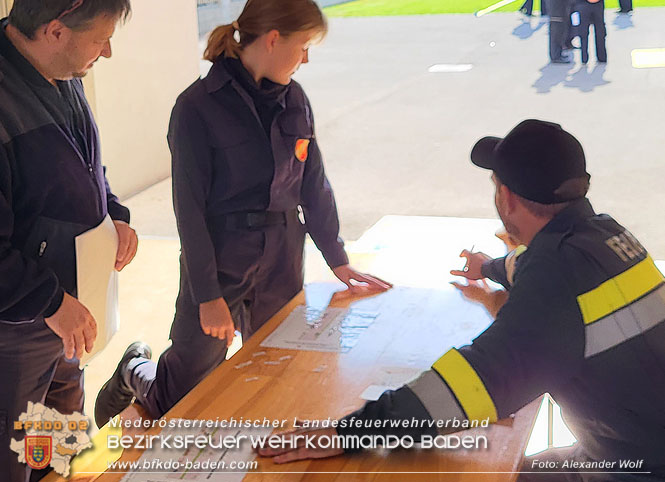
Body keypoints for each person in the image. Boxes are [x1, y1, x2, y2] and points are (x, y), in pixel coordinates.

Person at [257, 119, 665, 481]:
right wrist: (487, 268)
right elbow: (534, 269)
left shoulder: (554, 274)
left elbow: (472, 384)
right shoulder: (606, 237)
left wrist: (349, 432)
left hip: (633, 466)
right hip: (635, 446)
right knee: (516, 468)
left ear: (506, 198)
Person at [94, 0, 390, 427]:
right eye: (303, 45)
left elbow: (314, 184)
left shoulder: (295, 100)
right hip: (220, 260)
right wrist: (209, 295)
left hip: (283, 258)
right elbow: (189, 211)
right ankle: (134, 371)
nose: (305, 58)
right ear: (273, 39)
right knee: (180, 398)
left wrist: (337, 258)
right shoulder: (197, 107)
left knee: (276, 370)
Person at [0, 0, 137, 480]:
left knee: (58, 448)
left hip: (67, 311)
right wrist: (51, 302)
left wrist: (112, 212)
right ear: (55, 30)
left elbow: (81, 169)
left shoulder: (61, 73)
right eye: (101, 39)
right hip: (18, 327)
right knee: (14, 454)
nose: (108, 52)